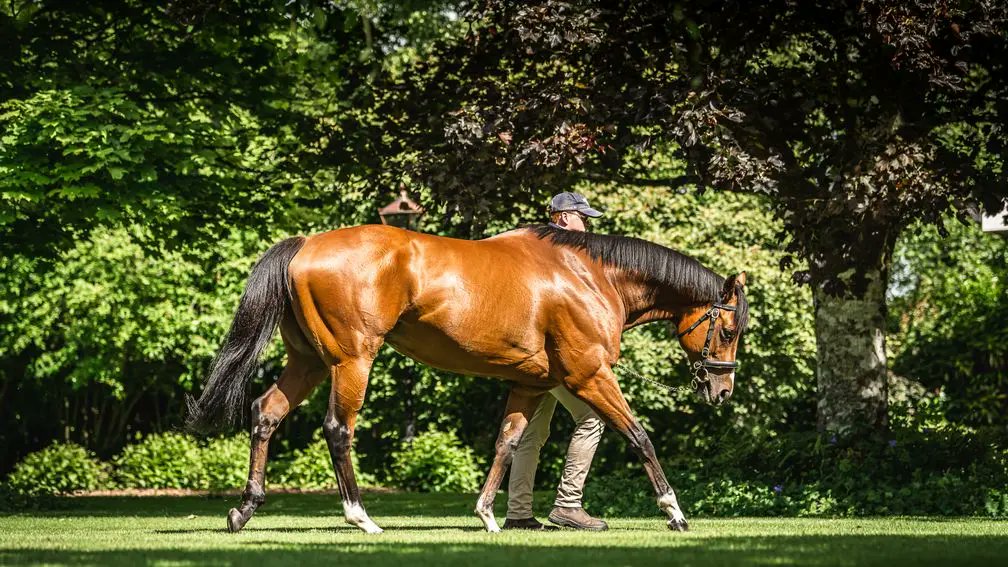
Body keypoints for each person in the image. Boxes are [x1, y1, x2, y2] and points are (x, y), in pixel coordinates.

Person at [502, 191, 609, 531]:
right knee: (592, 418)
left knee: (531, 434)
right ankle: (568, 505)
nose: (587, 225)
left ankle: (518, 513)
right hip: (551, 358)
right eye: (583, 218)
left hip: (528, 356)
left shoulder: (534, 244)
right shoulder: (557, 250)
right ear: (564, 217)